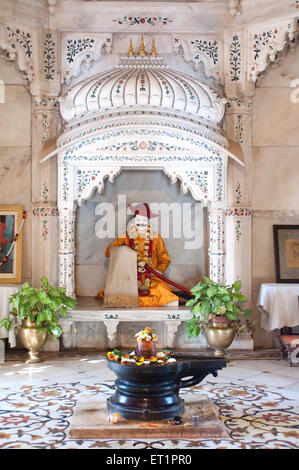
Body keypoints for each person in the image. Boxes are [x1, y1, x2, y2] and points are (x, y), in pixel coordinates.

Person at [98, 203, 179, 307]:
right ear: (134, 221)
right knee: (116, 292)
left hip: (151, 277)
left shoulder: (155, 237)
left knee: (160, 290)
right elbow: (109, 252)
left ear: (148, 221)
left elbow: (164, 259)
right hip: (129, 277)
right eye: (138, 220)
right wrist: (122, 245)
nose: (141, 223)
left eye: (144, 220)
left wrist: (158, 271)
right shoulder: (126, 236)